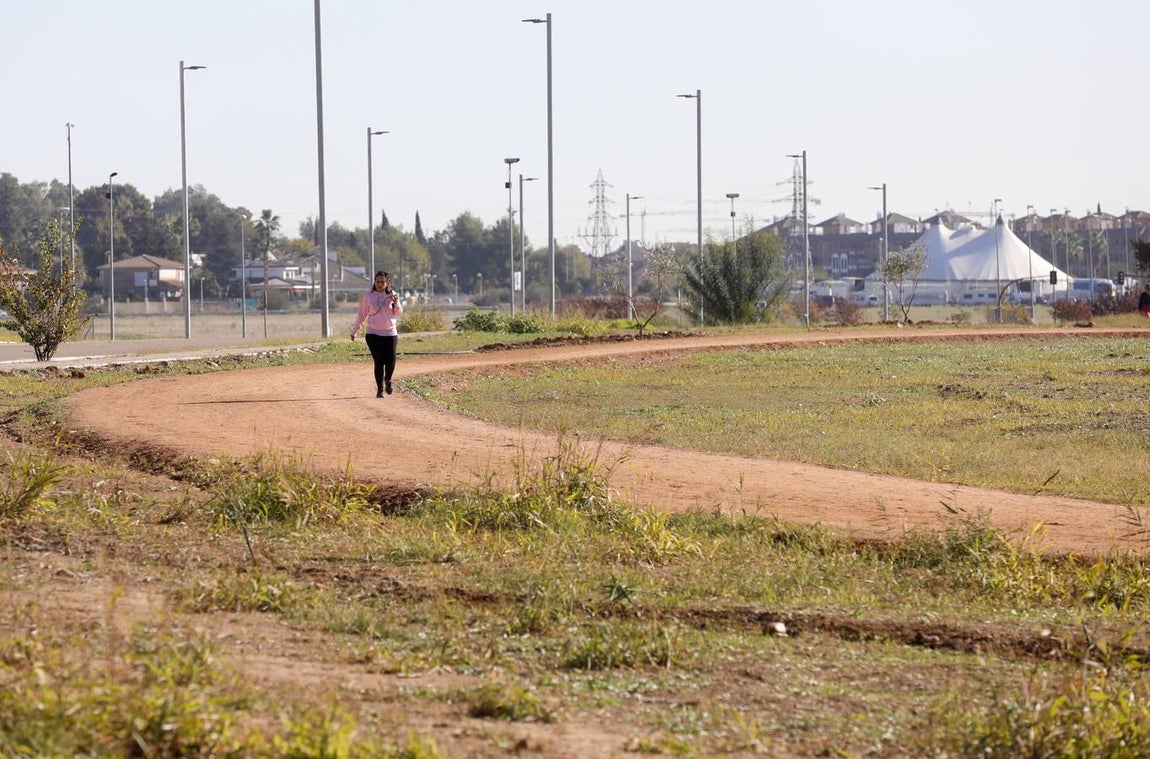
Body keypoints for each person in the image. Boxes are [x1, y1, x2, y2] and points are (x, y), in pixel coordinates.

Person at [350, 271, 403, 397]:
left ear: (387, 283)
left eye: (382, 282)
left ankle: (388, 380)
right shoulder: (369, 296)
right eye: (377, 281)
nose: (380, 284)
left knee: (391, 360)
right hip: (373, 333)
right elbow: (362, 314)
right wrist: (355, 330)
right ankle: (380, 389)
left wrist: (396, 303)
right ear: (374, 282)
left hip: (390, 333)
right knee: (379, 361)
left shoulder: (392, 295)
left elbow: (398, 313)